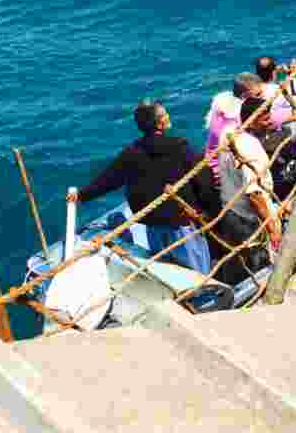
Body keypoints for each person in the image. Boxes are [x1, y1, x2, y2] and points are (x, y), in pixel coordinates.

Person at [66, 100, 212, 273]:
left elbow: (107, 180)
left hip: (152, 222)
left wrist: (82, 195)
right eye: (165, 114)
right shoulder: (180, 146)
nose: (168, 116)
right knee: (197, 269)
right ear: (160, 123)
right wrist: (206, 209)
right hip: (180, 221)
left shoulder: (131, 153)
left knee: (167, 265)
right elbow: (201, 179)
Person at [216, 97, 284, 281]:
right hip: (247, 220)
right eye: (264, 118)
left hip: (230, 211)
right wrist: (272, 229)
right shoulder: (250, 147)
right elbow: (254, 194)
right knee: (258, 267)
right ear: (251, 119)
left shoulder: (229, 135)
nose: (270, 121)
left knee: (237, 262)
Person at [204, 72, 264, 183]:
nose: (262, 98)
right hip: (223, 173)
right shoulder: (237, 117)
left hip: (212, 163)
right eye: (258, 95)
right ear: (244, 96)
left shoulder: (222, 103)